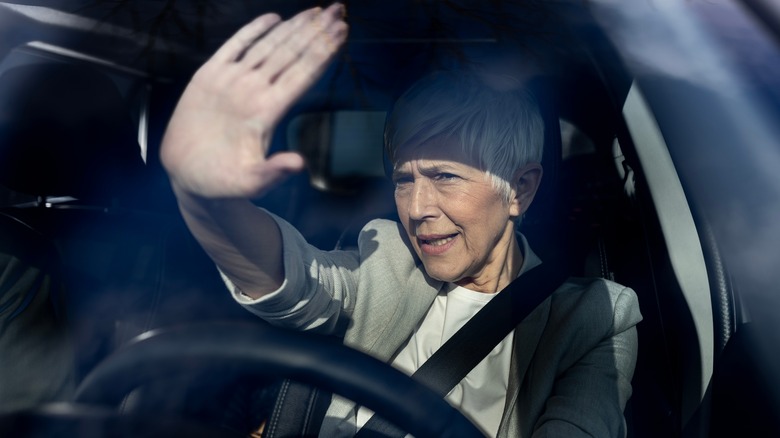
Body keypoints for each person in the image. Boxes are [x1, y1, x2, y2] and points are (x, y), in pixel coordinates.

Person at [160, 4, 642, 437]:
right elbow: (294, 282)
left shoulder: (596, 316)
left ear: (520, 189)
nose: (415, 208)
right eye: (404, 179)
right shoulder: (386, 256)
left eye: (445, 176)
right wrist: (205, 200)